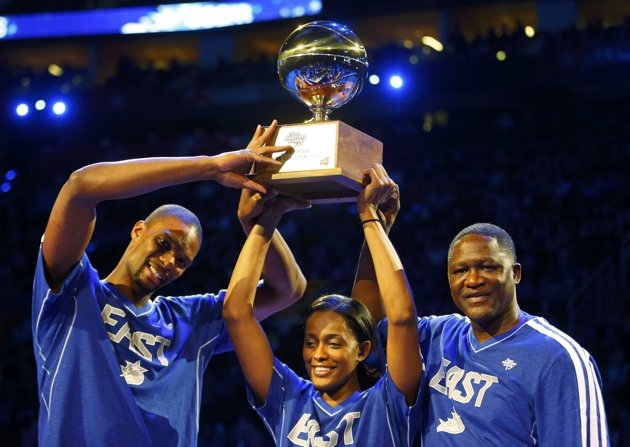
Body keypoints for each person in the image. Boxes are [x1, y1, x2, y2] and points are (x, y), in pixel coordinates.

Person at [32, 121, 309, 447]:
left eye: (182, 262)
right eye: (164, 244)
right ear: (138, 231)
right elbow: (80, 187)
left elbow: (287, 289)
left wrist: (259, 224)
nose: (168, 263)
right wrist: (211, 166)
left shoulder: (191, 321)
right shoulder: (73, 291)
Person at [352, 216, 610, 446]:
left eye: (487, 267)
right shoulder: (437, 335)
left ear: (515, 273)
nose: (473, 280)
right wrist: (376, 228)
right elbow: (364, 323)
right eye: (461, 270)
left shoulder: (558, 358)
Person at [222, 164, 423, 446]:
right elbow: (236, 313)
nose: (318, 354)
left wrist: (371, 221)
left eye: (334, 343)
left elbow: (401, 317)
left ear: (363, 351)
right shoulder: (288, 398)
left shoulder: (387, 403)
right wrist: (264, 219)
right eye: (311, 342)